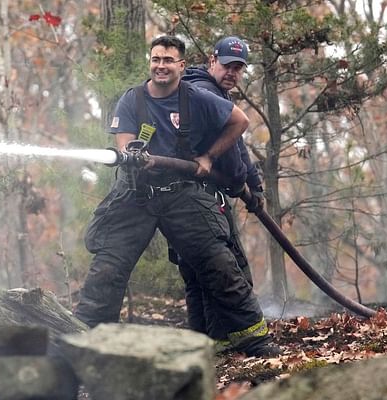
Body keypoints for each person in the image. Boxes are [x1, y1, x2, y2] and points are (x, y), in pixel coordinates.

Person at [74, 35, 279, 357]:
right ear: (150, 63)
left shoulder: (198, 98)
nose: (161, 66)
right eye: (156, 59)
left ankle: (253, 339)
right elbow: (124, 144)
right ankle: (85, 344)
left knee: (219, 264)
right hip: (135, 196)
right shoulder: (132, 100)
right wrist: (132, 154)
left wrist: (209, 157)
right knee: (107, 269)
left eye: (168, 60)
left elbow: (240, 122)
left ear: (181, 66)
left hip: (182, 194)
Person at [171, 36, 268, 352]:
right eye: (228, 65)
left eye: (239, 68)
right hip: (197, 199)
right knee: (227, 274)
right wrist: (242, 183)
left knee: (200, 278)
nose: (233, 73)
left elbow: (236, 145)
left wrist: (254, 184)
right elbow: (228, 156)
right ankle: (230, 345)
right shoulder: (201, 94)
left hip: (196, 199)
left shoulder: (212, 93)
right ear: (212, 59)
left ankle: (207, 346)